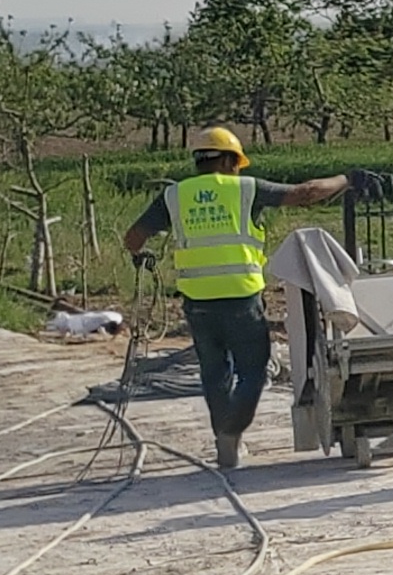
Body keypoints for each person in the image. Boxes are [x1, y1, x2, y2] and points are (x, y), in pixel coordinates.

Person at [120, 128, 350, 473]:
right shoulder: (246, 189)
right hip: (241, 297)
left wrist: (143, 255)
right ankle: (232, 432)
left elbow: (133, 238)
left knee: (214, 373)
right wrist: (346, 179)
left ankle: (225, 442)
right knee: (254, 372)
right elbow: (307, 193)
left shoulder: (173, 196)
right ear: (229, 160)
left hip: (197, 301)